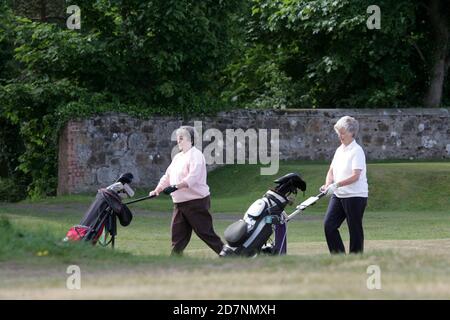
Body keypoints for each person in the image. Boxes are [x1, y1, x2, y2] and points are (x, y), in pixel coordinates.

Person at [149, 126, 224, 256]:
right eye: (178, 138)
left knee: (205, 232)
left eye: (181, 138)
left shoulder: (196, 155)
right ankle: (175, 258)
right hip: (179, 203)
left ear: (190, 139)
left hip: (196, 202)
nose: (178, 141)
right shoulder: (178, 157)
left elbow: (193, 177)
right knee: (178, 233)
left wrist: (177, 186)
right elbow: (167, 176)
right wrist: (157, 190)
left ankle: (226, 253)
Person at [320, 116, 368, 254]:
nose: (340, 136)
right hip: (339, 195)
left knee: (354, 229)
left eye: (342, 133)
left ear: (352, 133)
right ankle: (338, 256)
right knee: (329, 225)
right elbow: (331, 170)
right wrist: (328, 184)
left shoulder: (357, 151)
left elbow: (355, 176)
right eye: (338, 133)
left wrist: (337, 185)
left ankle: (356, 258)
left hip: (355, 196)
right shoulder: (339, 150)